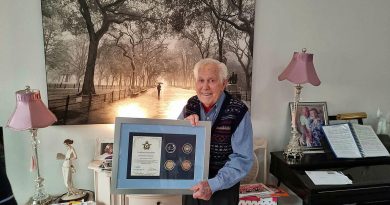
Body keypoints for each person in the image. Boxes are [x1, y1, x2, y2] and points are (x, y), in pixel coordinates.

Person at [178, 58, 253, 205]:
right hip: (192, 188)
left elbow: (242, 159)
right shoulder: (190, 106)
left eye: (211, 81)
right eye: (201, 80)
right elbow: (173, 144)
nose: (205, 87)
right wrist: (182, 129)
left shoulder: (239, 111)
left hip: (223, 190)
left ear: (224, 83)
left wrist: (212, 185)